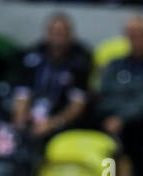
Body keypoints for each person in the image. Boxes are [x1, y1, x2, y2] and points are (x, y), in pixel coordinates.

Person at [96, 16, 143, 176]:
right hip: (110, 119)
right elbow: (104, 93)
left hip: (139, 123)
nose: (136, 39)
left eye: (140, 34)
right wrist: (113, 116)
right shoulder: (115, 65)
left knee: (133, 135)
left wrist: (122, 117)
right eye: (132, 34)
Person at [11, 13, 91, 144]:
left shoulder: (80, 61)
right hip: (32, 114)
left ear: (70, 35)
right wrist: (20, 116)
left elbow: (77, 105)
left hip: (60, 119)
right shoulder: (33, 55)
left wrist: (53, 123)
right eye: (54, 32)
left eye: (62, 32)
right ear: (47, 33)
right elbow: (22, 92)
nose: (58, 37)